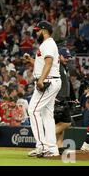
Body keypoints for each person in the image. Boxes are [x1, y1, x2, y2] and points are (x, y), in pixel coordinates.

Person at [23, 21, 61, 158]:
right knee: (47, 115)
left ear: (44, 31)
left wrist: (40, 80)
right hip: (51, 80)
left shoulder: (48, 44)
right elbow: (44, 64)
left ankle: (42, 146)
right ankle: (52, 148)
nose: (36, 33)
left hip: (47, 82)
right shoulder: (46, 44)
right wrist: (31, 61)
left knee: (33, 110)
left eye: (38, 31)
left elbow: (49, 63)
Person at [54, 48, 77, 154]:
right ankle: (47, 139)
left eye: (68, 57)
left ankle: (59, 147)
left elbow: (68, 84)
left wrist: (73, 97)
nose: (67, 59)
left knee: (60, 124)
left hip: (64, 98)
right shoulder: (55, 66)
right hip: (58, 98)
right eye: (65, 57)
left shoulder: (64, 67)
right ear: (59, 56)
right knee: (67, 123)